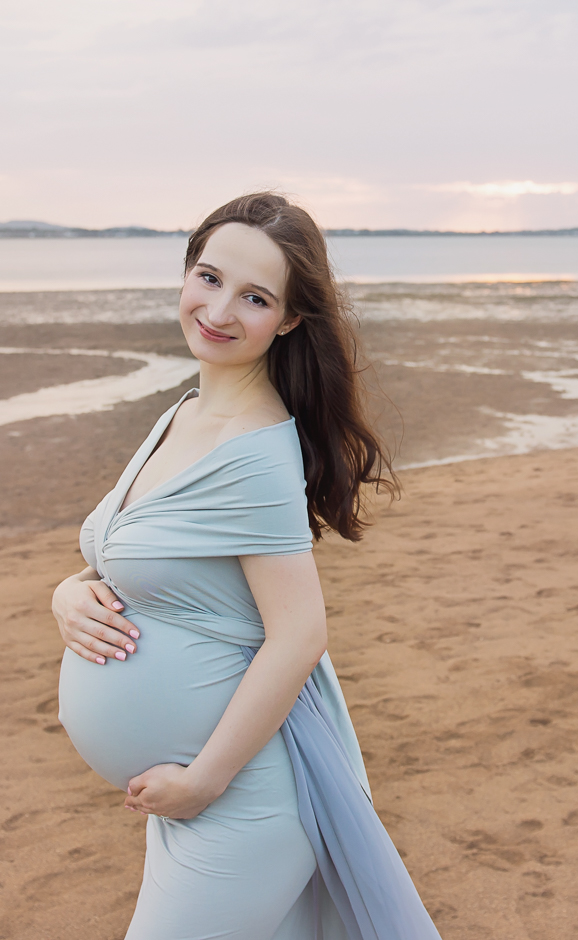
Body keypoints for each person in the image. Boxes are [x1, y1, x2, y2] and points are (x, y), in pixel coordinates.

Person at [51, 193, 443, 939]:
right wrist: (65, 594)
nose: (220, 310)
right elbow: (133, 563)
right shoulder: (183, 414)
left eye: (255, 297)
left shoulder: (256, 450)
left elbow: (299, 635)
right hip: (188, 796)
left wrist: (206, 778)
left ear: (290, 319)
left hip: (240, 800)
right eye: (209, 277)